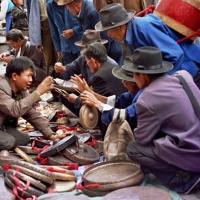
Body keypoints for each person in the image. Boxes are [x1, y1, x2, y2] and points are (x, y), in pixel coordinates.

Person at [122, 46, 200, 194]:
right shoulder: (183, 75)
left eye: (134, 75)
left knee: (133, 148)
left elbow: (142, 139)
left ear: (143, 76)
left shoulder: (147, 98)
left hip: (194, 151)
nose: (133, 79)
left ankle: (184, 176)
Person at [95, 3, 200, 88]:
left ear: (121, 27)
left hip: (190, 70)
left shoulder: (144, 29)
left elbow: (176, 54)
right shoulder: (130, 33)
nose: (108, 35)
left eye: (109, 30)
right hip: (181, 75)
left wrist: (159, 83)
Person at [0, 56, 67, 150]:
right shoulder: (1, 87)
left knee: (24, 139)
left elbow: (31, 113)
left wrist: (51, 134)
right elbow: (15, 109)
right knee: (8, 142)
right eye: (28, 75)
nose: (31, 80)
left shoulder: (21, 90)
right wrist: (38, 92)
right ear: (15, 76)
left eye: (32, 76)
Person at [57, 0, 123, 65]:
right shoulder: (80, 11)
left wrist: (101, 60)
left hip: (111, 52)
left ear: (74, 4)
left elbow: (104, 38)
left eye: (67, 6)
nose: (67, 9)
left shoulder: (92, 12)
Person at [80, 64, 142, 130]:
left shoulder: (144, 97)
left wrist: (97, 104)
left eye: (125, 80)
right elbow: (118, 102)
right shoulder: (134, 93)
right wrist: (91, 93)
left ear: (133, 83)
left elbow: (122, 116)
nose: (122, 82)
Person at [47, 0, 82, 65]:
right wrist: (58, 48)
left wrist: (74, 30)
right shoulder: (50, 5)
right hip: (65, 46)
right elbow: (53, 28)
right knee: (69, 72)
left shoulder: (73, 1)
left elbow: (85, 22)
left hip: (80, 42)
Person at [27, 0, 57, 74]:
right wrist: (37, 40)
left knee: (59, 54)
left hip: (56, 23)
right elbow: (33, 18)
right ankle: (51, 78)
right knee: (48, 58)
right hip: (45, 27)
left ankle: (60, 77)